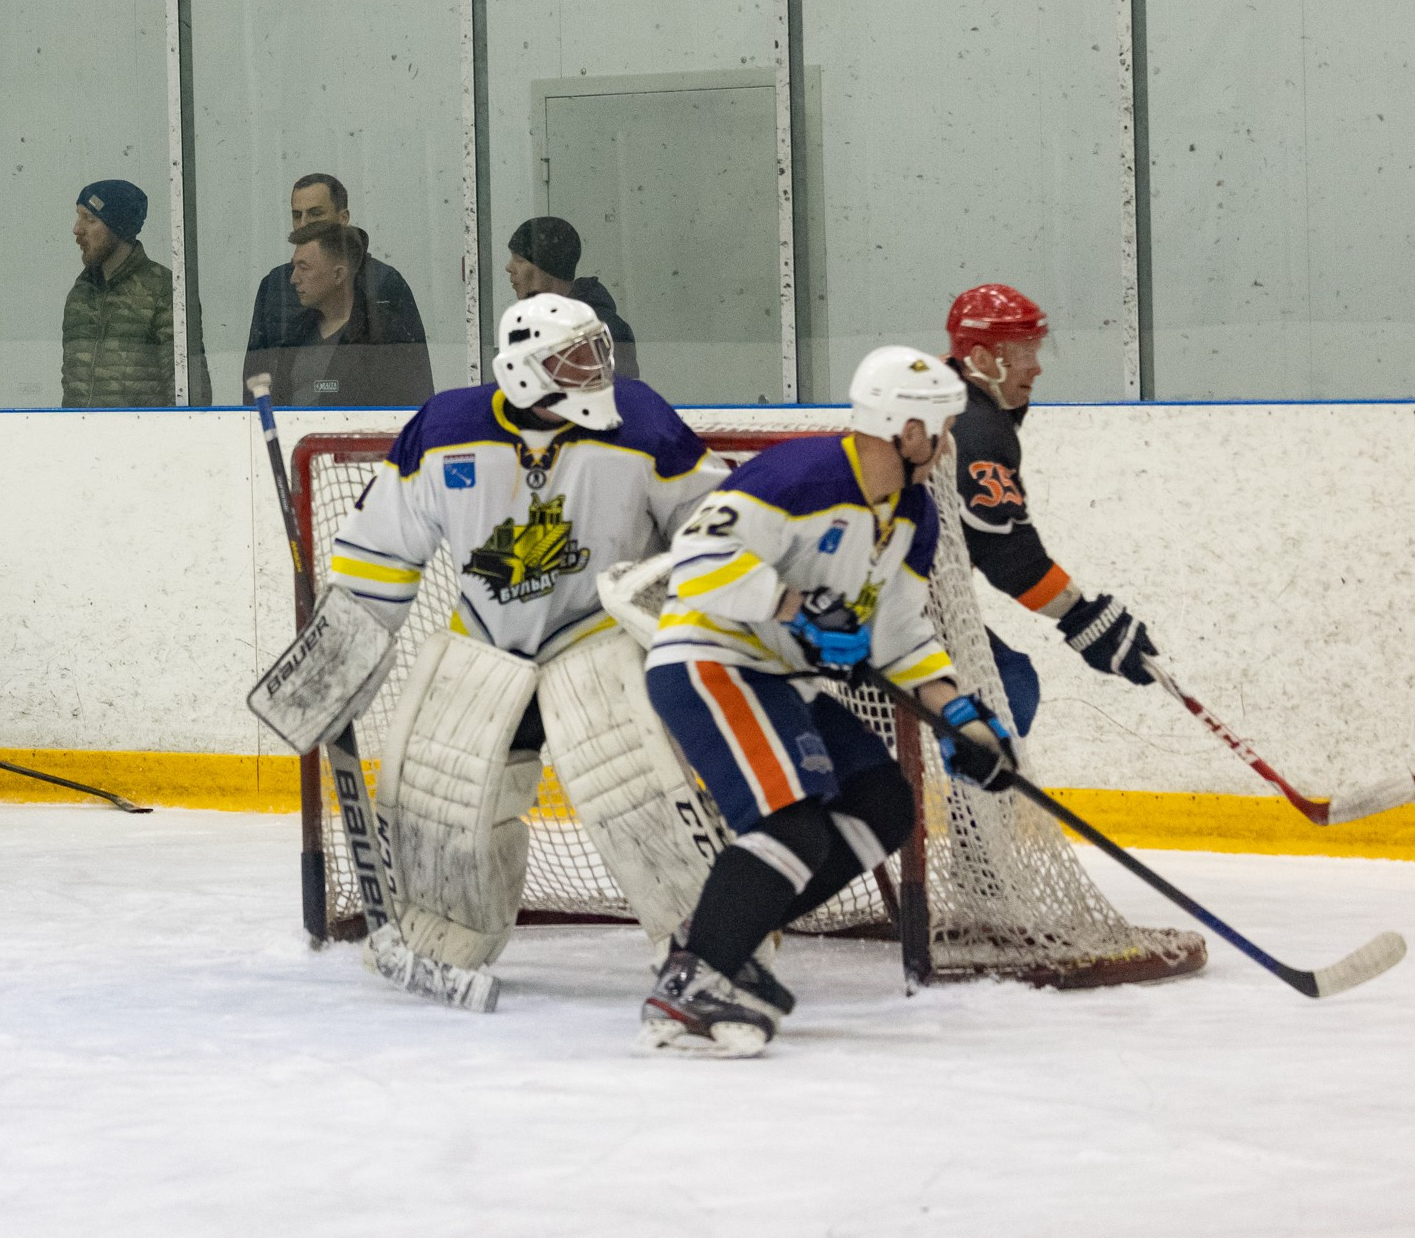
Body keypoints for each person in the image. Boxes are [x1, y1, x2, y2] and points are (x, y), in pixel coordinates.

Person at [322, 294, 728, 990]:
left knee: (642, 799)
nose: (596, 369)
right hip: (484, 647)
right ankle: (445, 939)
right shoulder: (446, 426)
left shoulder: (642, 419)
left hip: (596, 647)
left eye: (596, 351)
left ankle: (715, 940)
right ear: (522, 370)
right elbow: (379, 550)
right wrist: (345, 655)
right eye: (574, 359)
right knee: (440, 809)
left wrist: (690, 604)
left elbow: (711, 524)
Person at [638, 346, 1016, 1057]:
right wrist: (793, 603)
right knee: (793, 823)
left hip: (783, 678)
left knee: (884, 804)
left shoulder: (913, 516)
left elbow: (899, 638)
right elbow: (694, 556)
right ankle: (695, 975)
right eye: (942, 426)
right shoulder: (799, 473)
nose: (946, 444)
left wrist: (958, 715)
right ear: (908, 430)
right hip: (712, 658)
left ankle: (730, 936)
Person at [945, 284, 1162, 735]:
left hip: (891, 598)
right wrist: (1081, 615)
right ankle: (964, 804)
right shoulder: (976, 428)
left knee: (1006, 684)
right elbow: (1006, 553)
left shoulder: (952, 397)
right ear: (983, 360)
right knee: (1008, 687)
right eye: (1022, 352)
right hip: (880, 608)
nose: (1036, 366)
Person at [242, 174, 428, 385]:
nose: (303, 224)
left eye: (315, 213)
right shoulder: (276, 285)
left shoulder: (383, 282)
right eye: (296, 215)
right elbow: (255, 375)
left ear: (343, 218)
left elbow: (413, 376)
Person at [61, 178, 207, 407]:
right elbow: (72, 388)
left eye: (89, 219)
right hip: (81, 440)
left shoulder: (164, 291)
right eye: (79, 217)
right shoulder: (81, 293)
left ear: (117, 227)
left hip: (144, 440)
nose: (77, 229)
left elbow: (189, 397)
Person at [255, 221, 433, 407]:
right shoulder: (297, 332)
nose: (293, 279)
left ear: (338, 275)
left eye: (304, 267)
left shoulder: (382, 333)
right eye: (294, 267)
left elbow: (406, 407)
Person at [505, 216, 637, 379]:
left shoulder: (607, 332)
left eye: (519, 259)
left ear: (548, 268)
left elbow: (621, 397)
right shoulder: (526, 327)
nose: (509, 267)